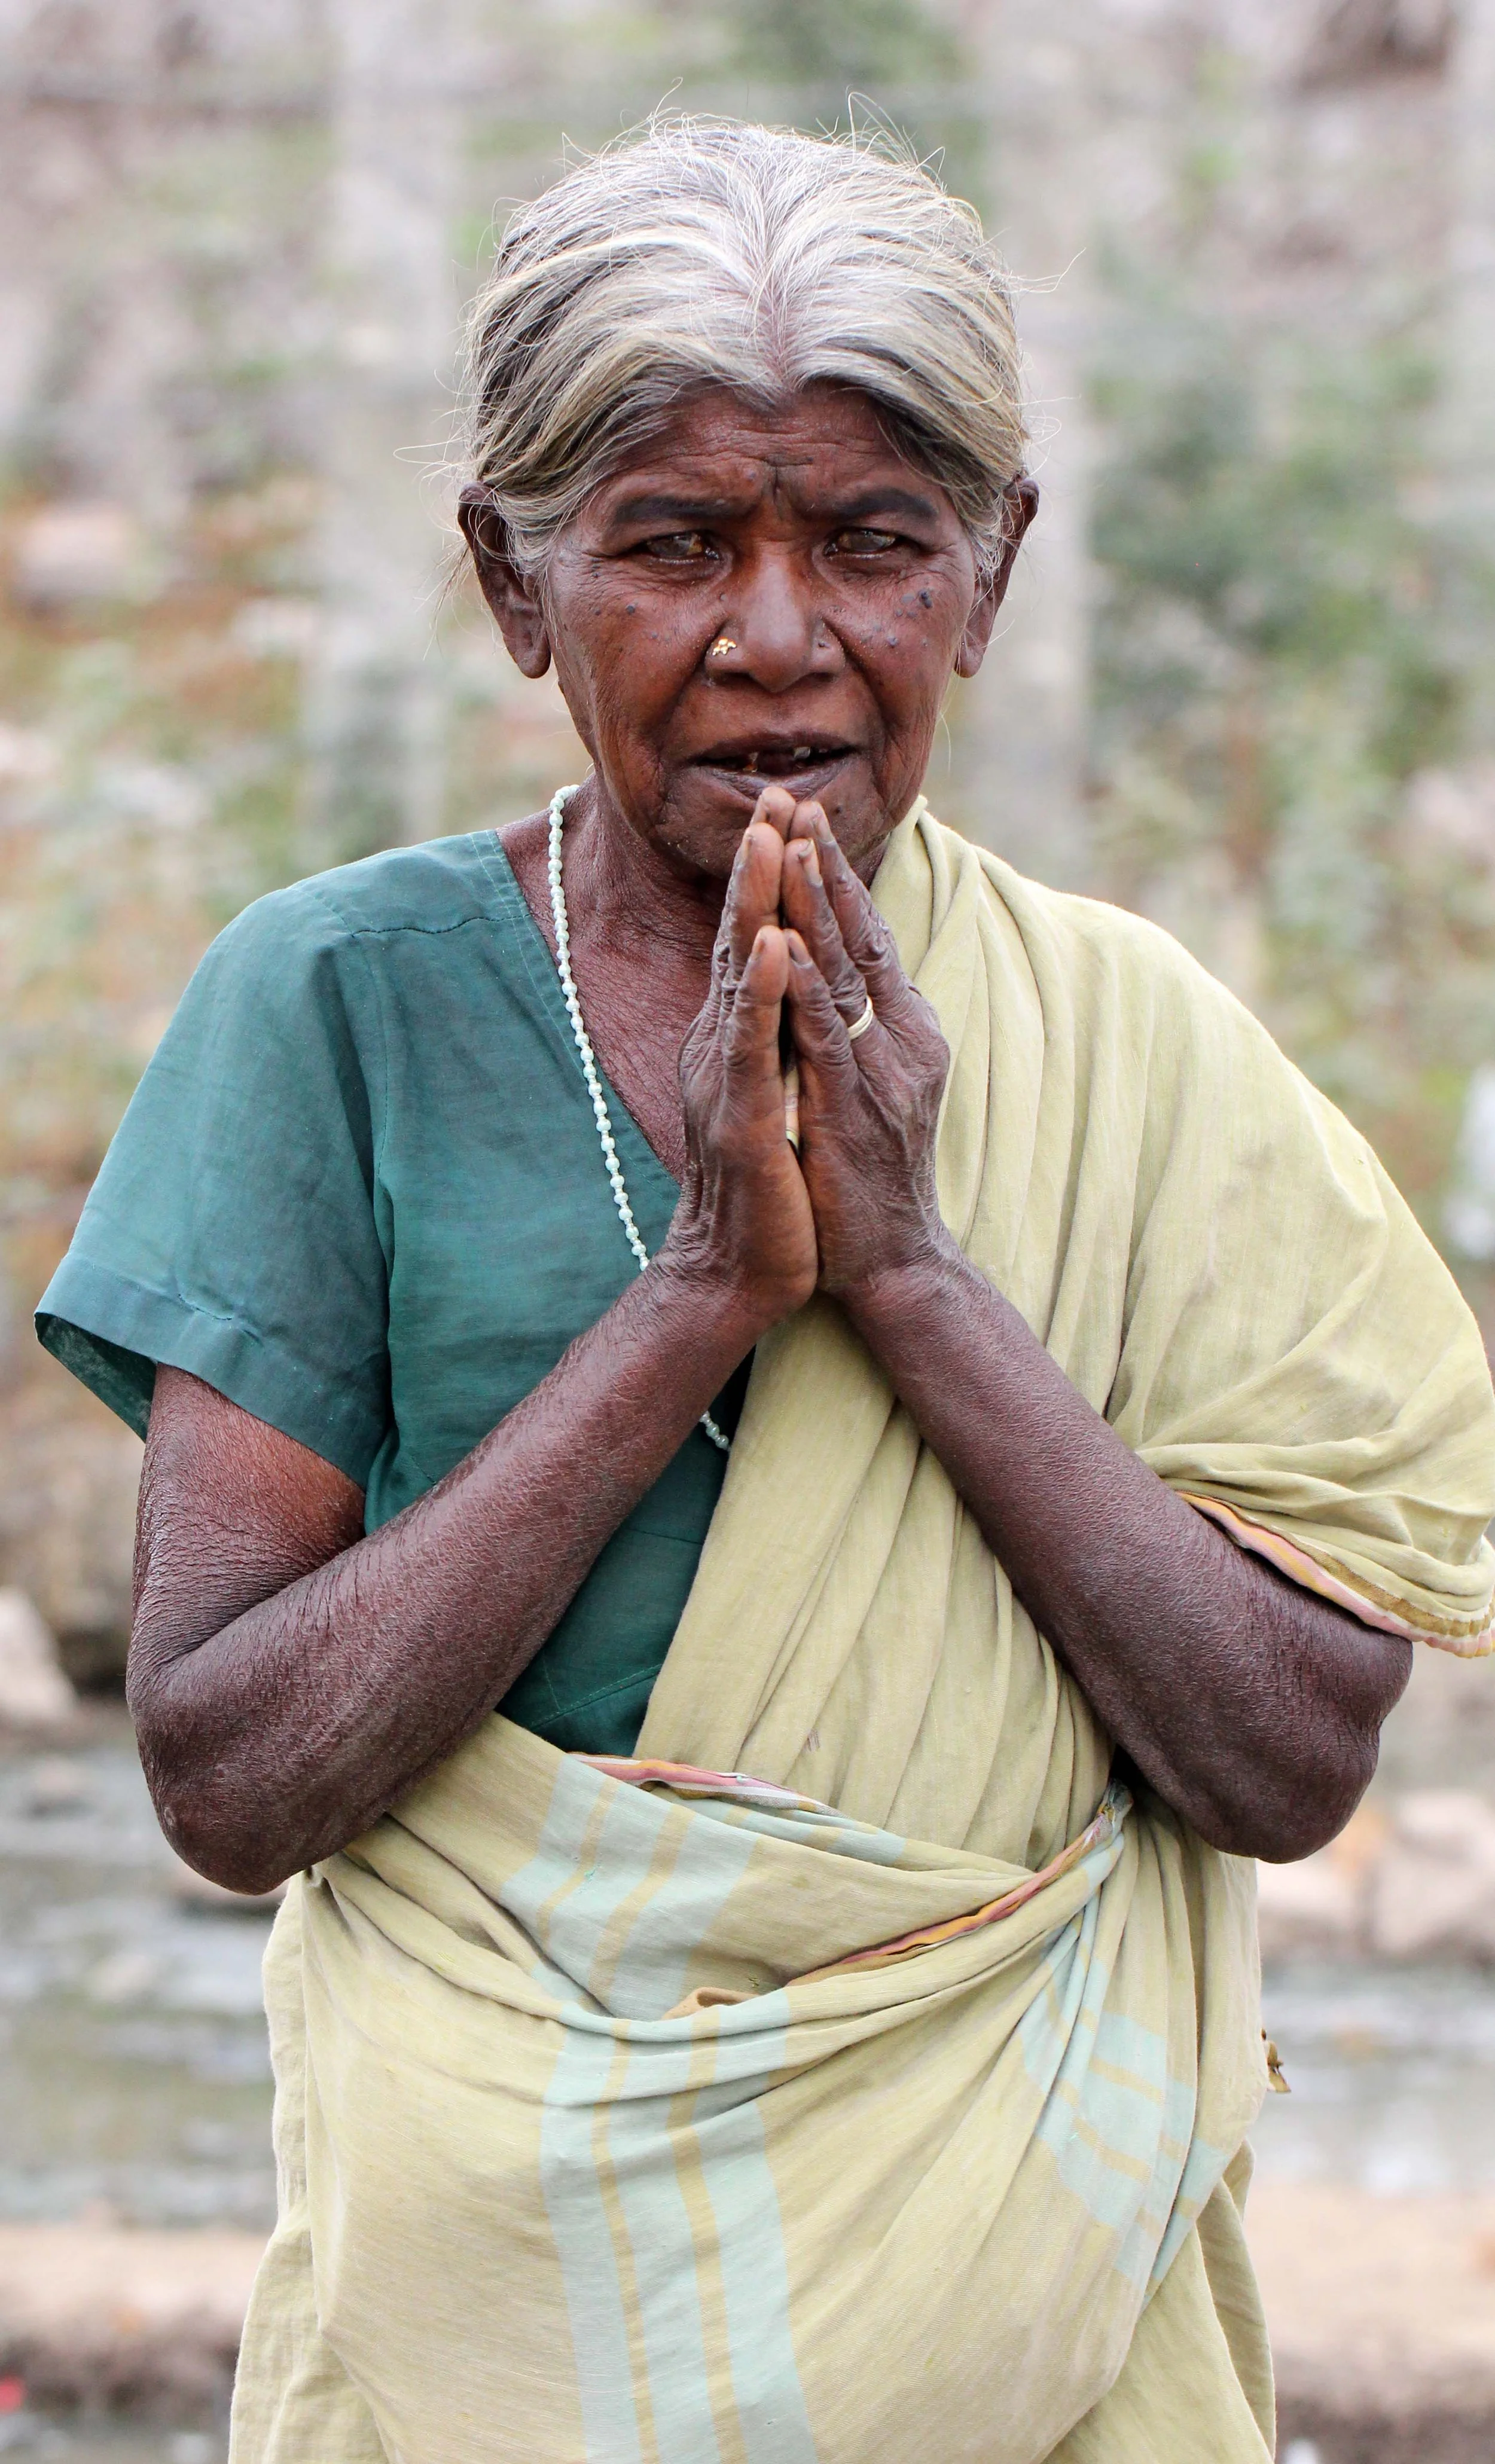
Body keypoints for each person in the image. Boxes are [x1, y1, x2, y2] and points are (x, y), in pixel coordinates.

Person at [36, 118, 1495, 2464]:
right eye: (674, 542)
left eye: (875, 541)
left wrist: (906, 1271)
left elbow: (1285, 1761)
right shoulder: (342, 1008)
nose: (780, 635)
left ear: (989, 576)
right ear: (513, 584)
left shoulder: (1135, 1050)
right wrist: (703, 1290)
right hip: (484, 2352)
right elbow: (230, 1771)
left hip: (1032, 2356)